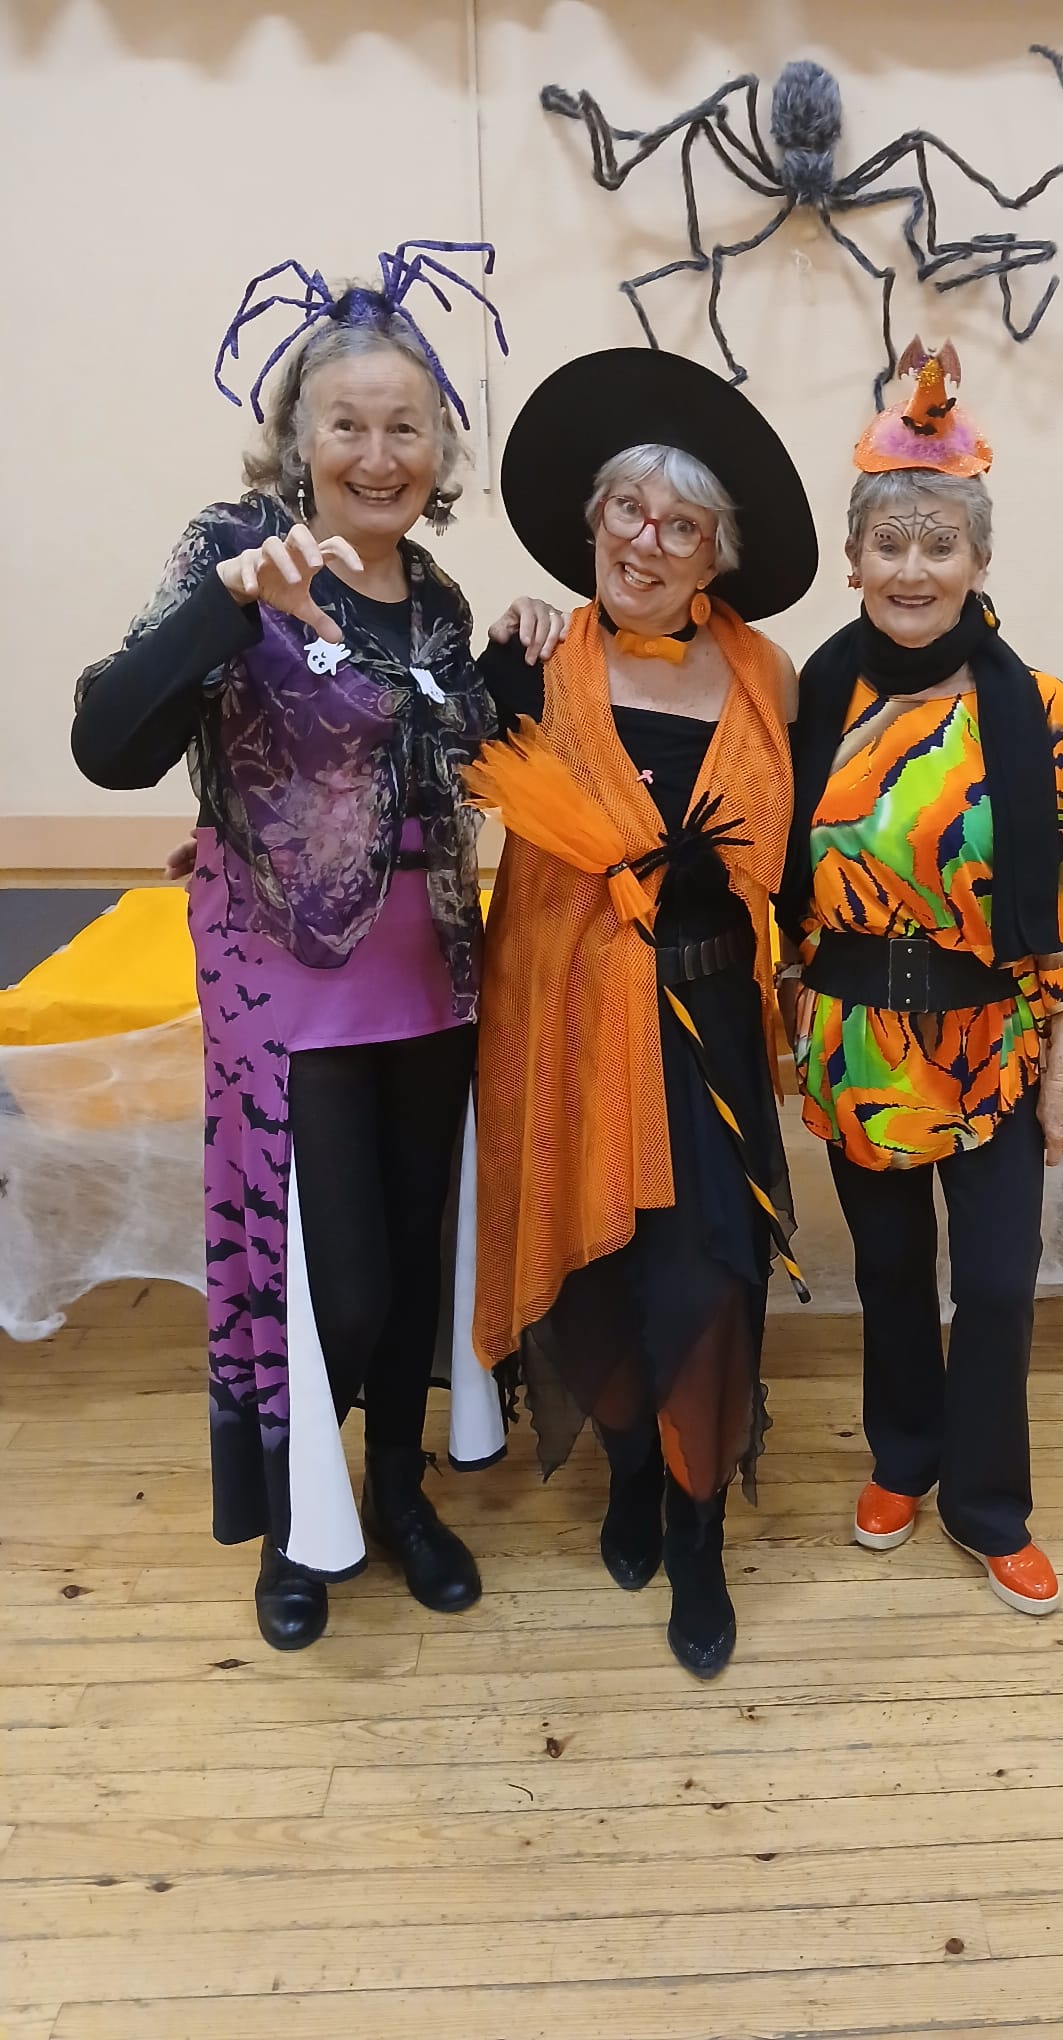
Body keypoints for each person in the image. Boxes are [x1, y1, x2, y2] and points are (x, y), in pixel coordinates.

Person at [71, 242, 563, 1651]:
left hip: (433, 974)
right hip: (285, 984)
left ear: (440, 450)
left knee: (407, 1262)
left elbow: (460, 759)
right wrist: (225, 604)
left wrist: (518, 655)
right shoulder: (236, 551)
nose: (378, 453)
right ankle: (300, 1525)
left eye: (407, 427)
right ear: (299, 438)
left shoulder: (442, 602)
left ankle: (397, 1494)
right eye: (348, 423)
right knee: (320, 1275)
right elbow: (109, 741)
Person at [468, 347, 817, 1678]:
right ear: (593, 519)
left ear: (716, 555)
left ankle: (697, 1524)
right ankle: (626, 1468)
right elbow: (407, 787)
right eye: (629, 509)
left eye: (681, 525)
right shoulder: (530, 664)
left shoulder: (767, 678)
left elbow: (807, 856)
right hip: (570, 1029)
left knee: (713, 1278)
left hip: (711, 1026)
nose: (647, 541)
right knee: (596, 1271)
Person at [777, 339, 1063, 1614]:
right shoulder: (812, 697)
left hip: (994, 1040)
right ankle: (902, 1457)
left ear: (978, 562)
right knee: (885, 1274)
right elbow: (772, 872)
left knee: (997, 1285)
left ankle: (987, 1504)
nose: (912, 569)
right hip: (858, 1038)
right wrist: (782, 1014)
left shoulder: (1039, 706)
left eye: (940, 544)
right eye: (890, 544)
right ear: (854, 558)